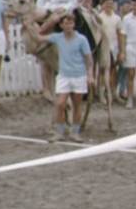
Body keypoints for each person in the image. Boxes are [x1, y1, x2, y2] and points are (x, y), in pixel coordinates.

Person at [39, 12, 94, 141]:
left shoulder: (82, 39)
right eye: (65, 23)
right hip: (64, 76)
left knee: (77, 105)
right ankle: (59, 132)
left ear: (74, 24)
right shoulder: (57, 37)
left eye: (70, 23)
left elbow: (88, 59)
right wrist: (29, 24)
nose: (68, 25)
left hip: (79, 76)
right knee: (60, 103)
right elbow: (39, 37)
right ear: (61, 25)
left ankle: (75, 132)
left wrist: (90, 75)